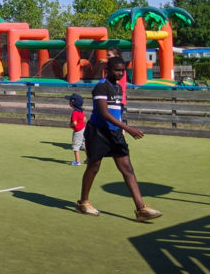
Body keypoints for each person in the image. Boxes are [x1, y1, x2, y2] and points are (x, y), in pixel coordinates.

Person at [76, 57, 162, 222]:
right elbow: (104, 113)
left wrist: (121, 130)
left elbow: (116, 112)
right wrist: (128, 128)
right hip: (98, 132)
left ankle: (141, 209)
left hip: (115, 133)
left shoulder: (117, 87)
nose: (121, 73)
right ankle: (83, 202)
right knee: (94, 167)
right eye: (117, 70)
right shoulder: (101, 86)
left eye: (123, 70)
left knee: (128, 169)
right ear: (107, 70)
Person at [65, 93, 86, 166]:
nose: (69, 102)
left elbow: (74, 123)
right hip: (83, 129)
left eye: (70, 101)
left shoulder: (75, 112)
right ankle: (89, 159)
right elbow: (84, 119)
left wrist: (70, 125)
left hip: (78, 131)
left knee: (76, 146)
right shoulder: (81, 111)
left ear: (73, 103)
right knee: (84, 145)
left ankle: (77, 161)